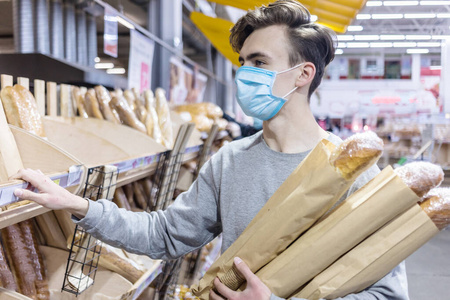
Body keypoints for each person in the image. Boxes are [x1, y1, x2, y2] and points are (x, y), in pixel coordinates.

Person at [12, 1, 409, 299]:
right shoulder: (231, 161)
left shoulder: (352, 170)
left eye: (258, 61)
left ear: (303, 74)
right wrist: (75, 204)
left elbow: (387, 293)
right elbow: (164, 234)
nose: (243, 74)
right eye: (242, 62)